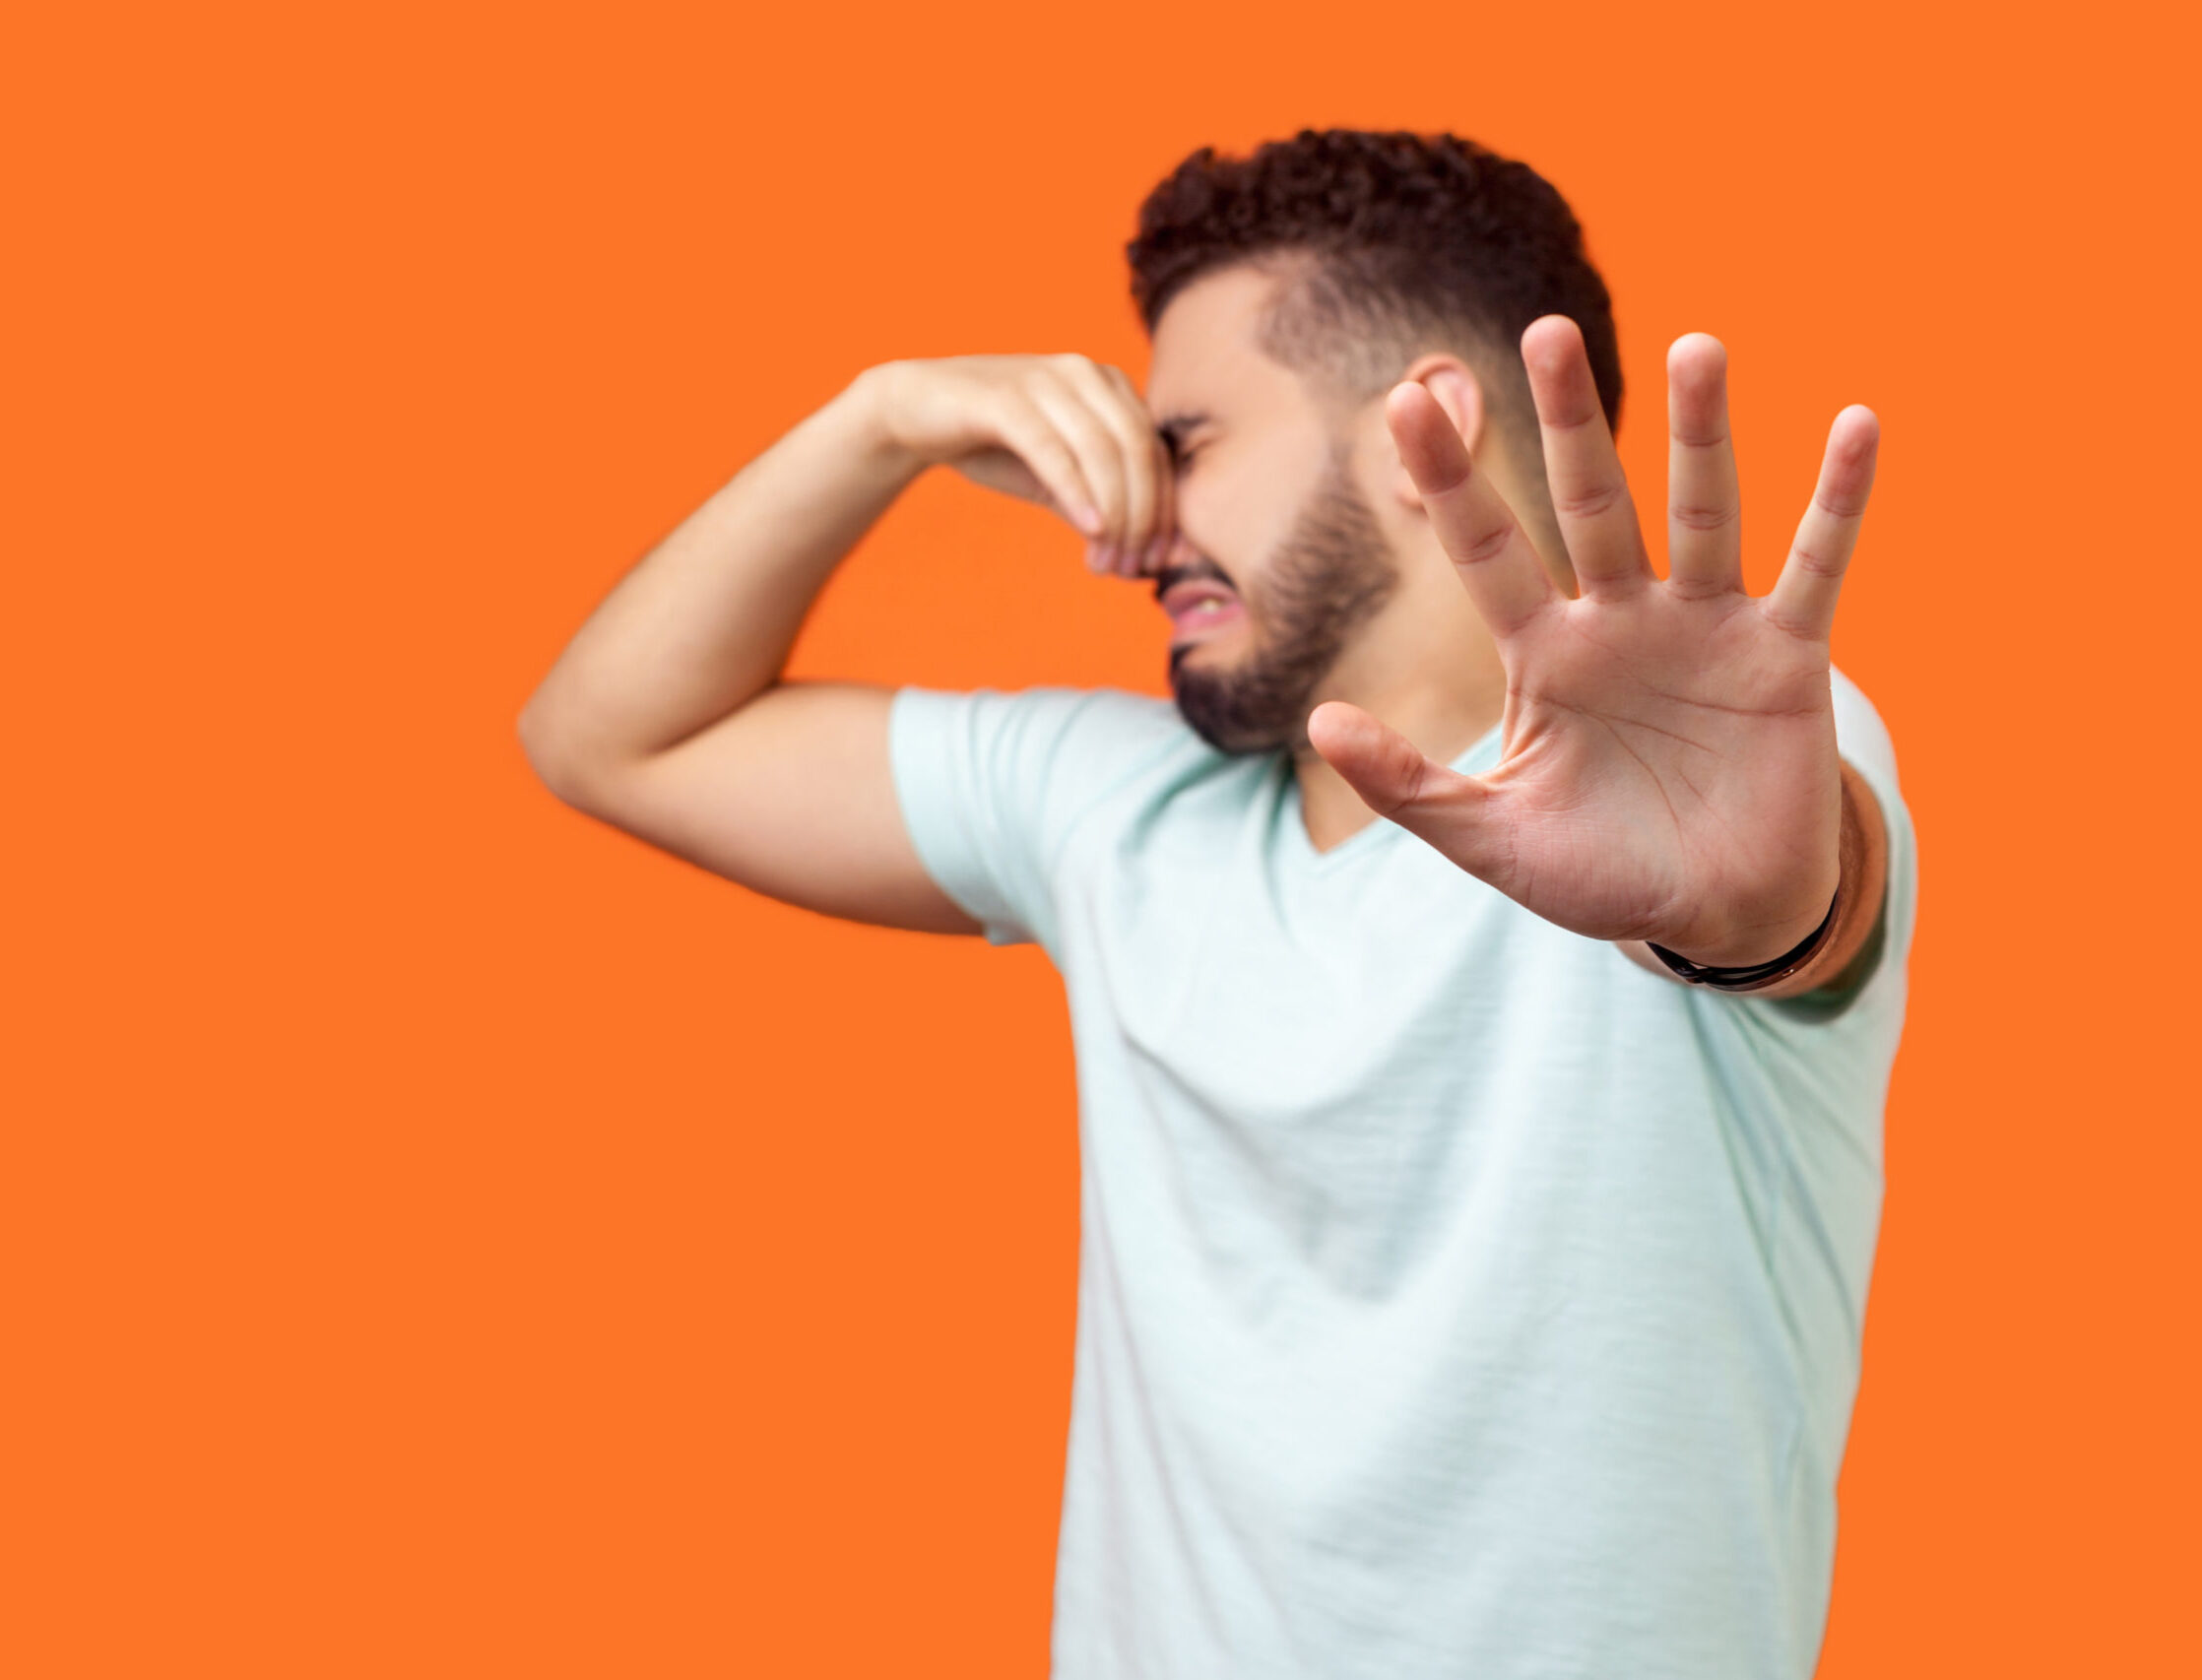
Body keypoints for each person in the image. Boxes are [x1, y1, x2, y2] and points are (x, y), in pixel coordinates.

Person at [518, 128, 1917, 1680]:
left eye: (1186, 442)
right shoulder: (1118, 811)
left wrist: (1763, 913)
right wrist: (881, 421)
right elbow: (609, 734)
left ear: (1421, 428)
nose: (1131, 527)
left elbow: (1782, 906)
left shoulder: (1722, 773)